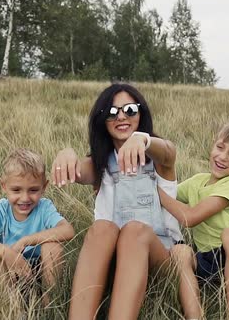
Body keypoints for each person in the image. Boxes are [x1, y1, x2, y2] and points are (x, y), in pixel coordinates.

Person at [51, 83, 183, 319]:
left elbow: (169, 151)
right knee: (101, 227)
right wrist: (67, 153)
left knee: (134, 231)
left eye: (130, 109)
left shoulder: (158, 160)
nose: (121, 116)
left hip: (159, 257)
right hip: (114, 261)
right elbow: (80, 170)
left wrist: (143, 140)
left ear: (141, 114)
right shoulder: (100, 164)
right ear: (103, 120)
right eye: (112, 112)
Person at [158, 120, 229, 320]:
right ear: (213, 144)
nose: (222, 157)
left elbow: (190, 217)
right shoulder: (197, 181)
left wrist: (157, 193)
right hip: (207, 261)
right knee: (180, 251)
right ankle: (195, 316)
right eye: (220, 147)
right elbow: (170, 195)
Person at [0, 148, 75, 297]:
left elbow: (68, 230)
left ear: (44, 187)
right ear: (4, 186)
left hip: (40, 270)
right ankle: (12, 307)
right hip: (10, 270)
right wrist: (7, 253)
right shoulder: (0, 210)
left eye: (33, 190)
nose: (25, 198)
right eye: (16, 190)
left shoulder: (44, 208)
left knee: (53, 247)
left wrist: (26, 241)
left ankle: (48, 306)